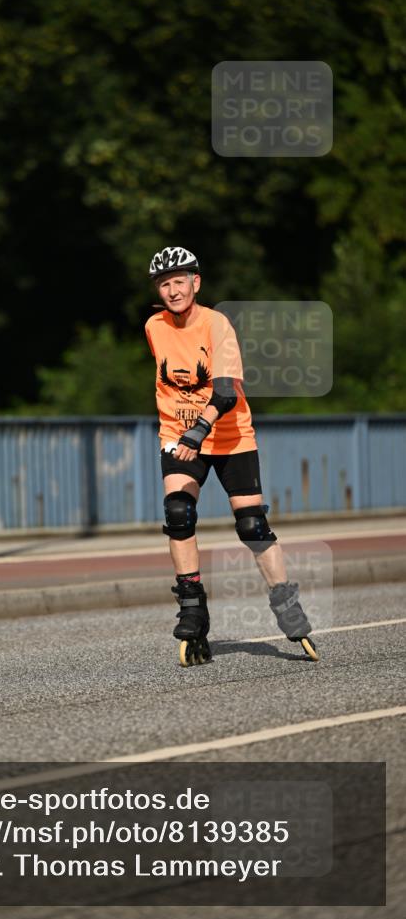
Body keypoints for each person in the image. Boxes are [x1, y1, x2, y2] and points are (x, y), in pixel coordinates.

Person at [145, 246, 318, 667]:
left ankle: (285, 604)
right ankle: (192, 610)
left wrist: (199, 430)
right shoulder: (154, 326)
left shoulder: (216, 324)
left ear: (196, 283)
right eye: (164, 284)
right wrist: (185, 432)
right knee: (178, 512)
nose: (172, 291)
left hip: (229, 436)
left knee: (252, 525)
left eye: (179, 282)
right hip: (179, 435)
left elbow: (224, 392)